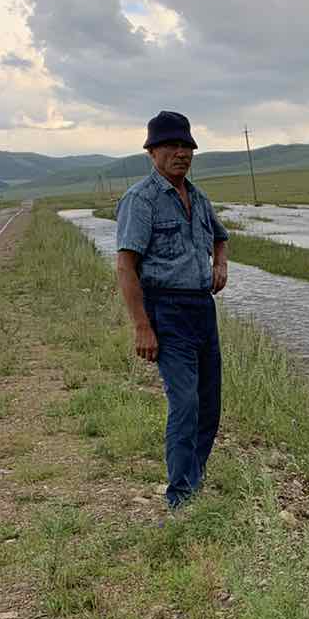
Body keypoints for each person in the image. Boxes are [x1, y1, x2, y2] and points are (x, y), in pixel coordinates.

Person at [115, 111, 229, 511]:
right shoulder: (140, 200)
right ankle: (181, 498)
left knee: (209, 405)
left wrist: (220, 265)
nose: (181, 153)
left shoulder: (197, 197)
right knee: (185, 403)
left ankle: (192, 480)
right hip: (166, 311)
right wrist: (142, 327)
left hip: (202, 309)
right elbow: (126, 266)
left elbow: (220, 237)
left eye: (187, 147)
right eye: (171, 146)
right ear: (152, 152)